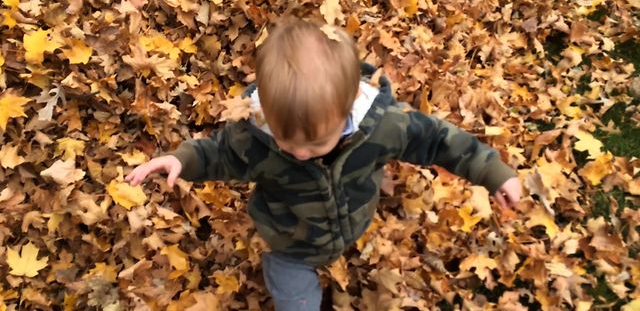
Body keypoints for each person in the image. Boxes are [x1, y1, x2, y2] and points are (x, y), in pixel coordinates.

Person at [126, 17, 522, 310]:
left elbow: (439, 141)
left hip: (354, 219)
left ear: (349, 108)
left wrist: (494, 173)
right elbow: (219, 154)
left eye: (316, 142)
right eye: (286, 140)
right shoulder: (254, 135)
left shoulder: (384, 126)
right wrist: (181, 160)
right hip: (290, 244)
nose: (299, 153)